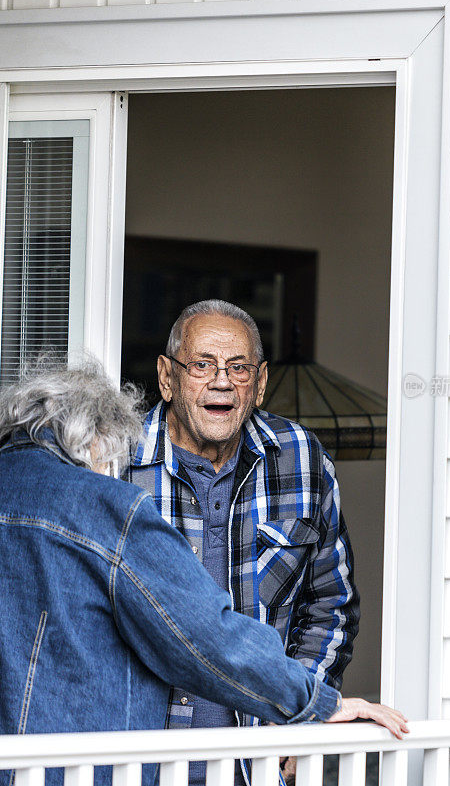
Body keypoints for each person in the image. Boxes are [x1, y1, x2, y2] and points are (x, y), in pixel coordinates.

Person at [0, 361, 407, 786]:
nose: (109, 471)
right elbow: (203, 635)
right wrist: (315, 701)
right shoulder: (106, 506)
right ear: (93, 440)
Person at [127, 300, 361, 785]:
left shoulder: (300, 458)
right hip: (136, 759)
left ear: (259, 384)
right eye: (202, 365)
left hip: (254, 764)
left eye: (238, 368)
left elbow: (330, 605)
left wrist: (301, 711)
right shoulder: (112, 461)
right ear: (167, 378)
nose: (221, 381)